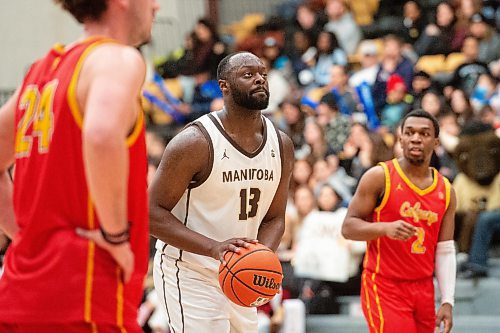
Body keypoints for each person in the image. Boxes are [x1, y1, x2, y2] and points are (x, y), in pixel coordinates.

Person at [0, 0, 159, 332]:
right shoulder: (118, 59)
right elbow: (101, 136)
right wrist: (116, 237)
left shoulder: (40, 72)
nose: (157, 6)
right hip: (85, 297)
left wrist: (26, 236)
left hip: (21, 298)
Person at [149, 52, 294, 333]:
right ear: (224, 85)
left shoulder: (281, 144)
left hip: (240, 273)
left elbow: (275, 218)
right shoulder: (194, 143)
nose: (259, 80)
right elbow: (151, 214)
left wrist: (259, 257)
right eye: (248, 74)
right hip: (191, 271)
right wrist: (215, 249)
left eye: (262, 73)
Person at [342, 109, 457, 333]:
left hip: (424, 288)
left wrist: (447, 300)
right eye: (410, 132)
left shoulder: (446, 189)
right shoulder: (379, 177)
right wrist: (384, 228)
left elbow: (445, 250)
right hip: (384, 285)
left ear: (435, 142)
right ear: (400, 138)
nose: (416, 138)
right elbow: (348, 227)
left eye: (424, 134)